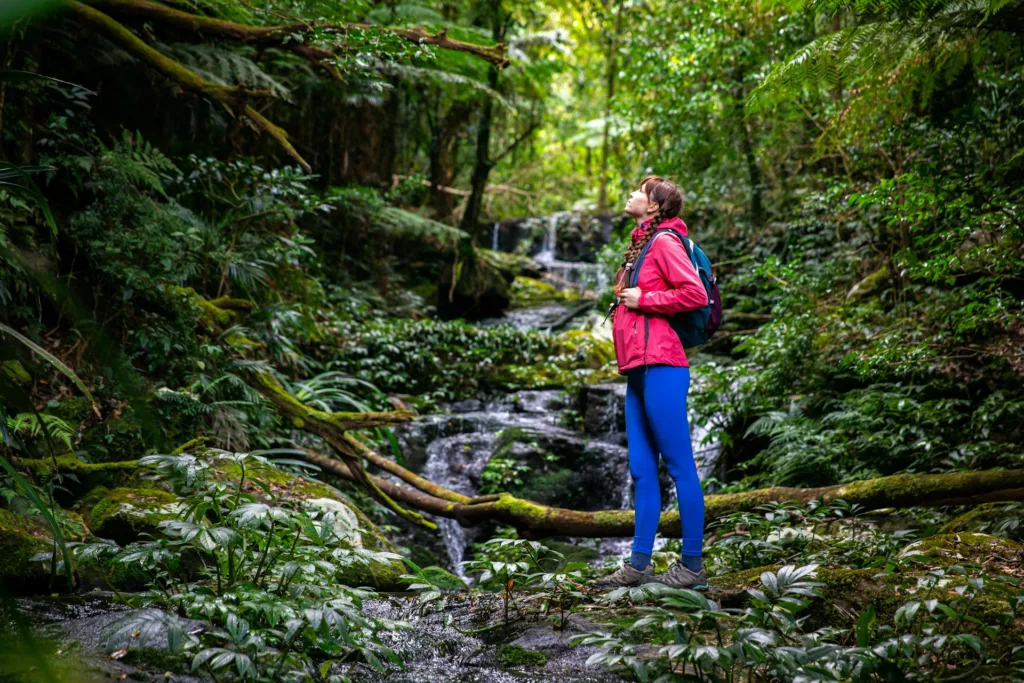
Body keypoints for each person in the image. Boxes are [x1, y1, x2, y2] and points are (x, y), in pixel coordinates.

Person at [596, 176, 709, 590]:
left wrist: (645, 299)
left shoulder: (663, 242)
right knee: (643, 471)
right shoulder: (641, 245)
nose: (630, 194)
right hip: (638, 370)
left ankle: (693, 567)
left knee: (680, 466)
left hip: (663, 365)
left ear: (655, 205)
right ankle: (639, 565)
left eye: (638, 190)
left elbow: (694, 294)